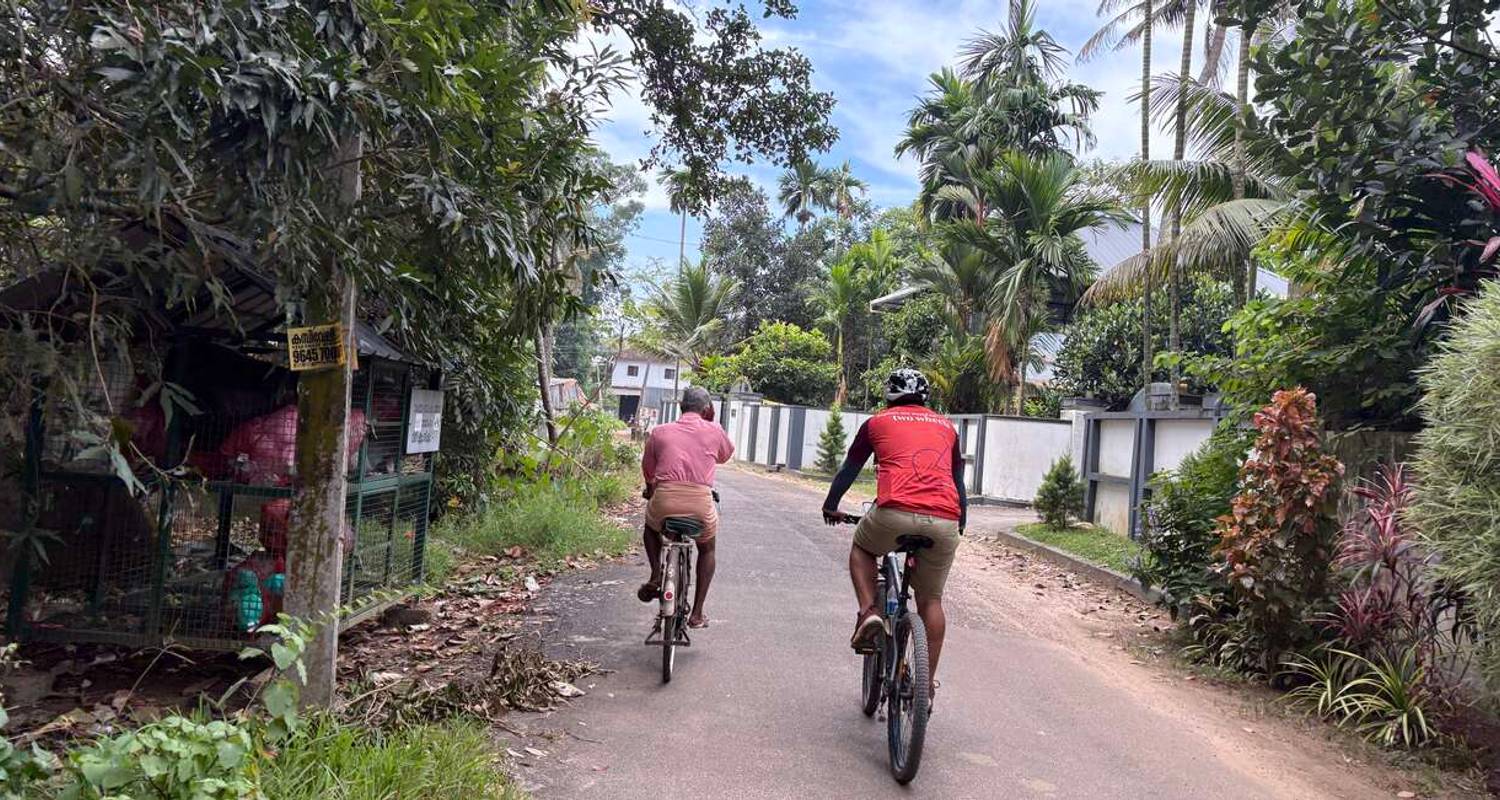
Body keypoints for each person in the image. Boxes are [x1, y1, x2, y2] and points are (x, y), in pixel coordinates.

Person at [822, 368, 965, 704]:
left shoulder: (877, 423)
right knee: (931, 601)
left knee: (862, 548)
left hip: (893, 513)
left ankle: (869, 611)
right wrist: (960, 522)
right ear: (925, 397)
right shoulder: (947, 427)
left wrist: (830, 505)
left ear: (889, 395)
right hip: (945, 519)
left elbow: (849, 469)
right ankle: (925, 686)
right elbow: (958, 482)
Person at [638, 387, 735, 628]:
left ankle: (656, 573)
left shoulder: (660, 432)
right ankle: (697, 614)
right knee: (707, 548)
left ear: (681, 407)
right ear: (707, 409)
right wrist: (710, 422)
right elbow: (725, 455)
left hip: (665, 499)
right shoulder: (715, 430)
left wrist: (650, 491)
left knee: (650, 528)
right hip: (699, 503)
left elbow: (648, 470)